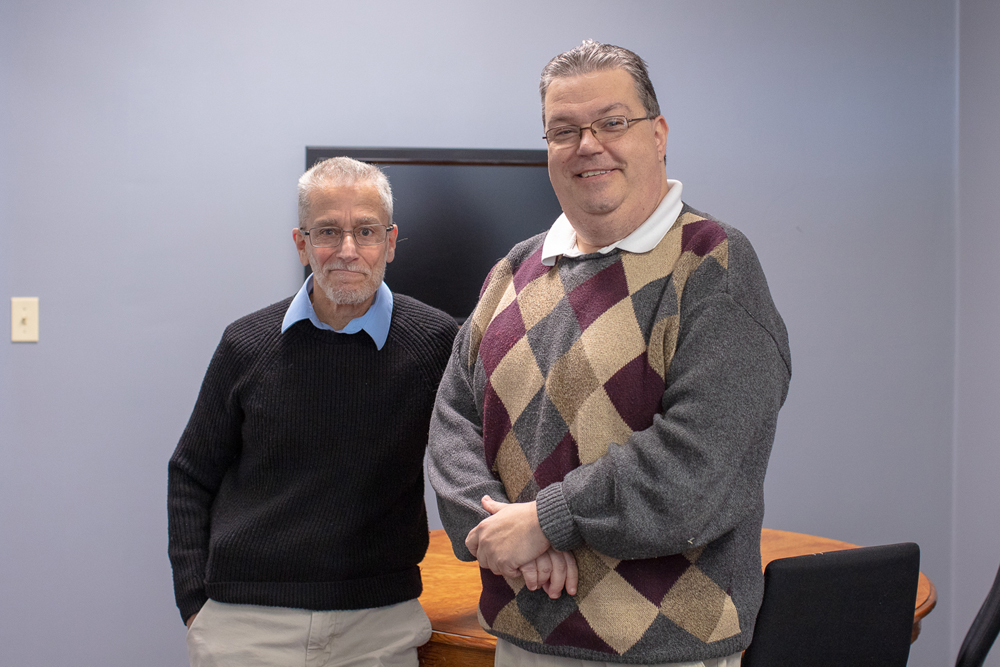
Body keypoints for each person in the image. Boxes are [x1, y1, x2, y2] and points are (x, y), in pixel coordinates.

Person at [428, 40, 791, 666]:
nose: (587, 144)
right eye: (563, 130)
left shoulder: (712, 264)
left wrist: (546, 521)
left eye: (612, 122)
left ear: (658, 133)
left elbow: (697, 467)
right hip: (521, 636)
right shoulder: (514, 270)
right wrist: (494, 534)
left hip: (665, 651)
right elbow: (452, 421)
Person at [168, 156, 458, 666]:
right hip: (246, 623)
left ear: (389, 243)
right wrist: (196, 602)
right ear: (301, 244)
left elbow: (473, 457)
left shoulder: (437, 343)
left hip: (378, 624)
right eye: (328, 231)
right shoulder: (245, 344)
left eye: (365, 231)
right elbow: (191, 474)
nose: (347, 250)